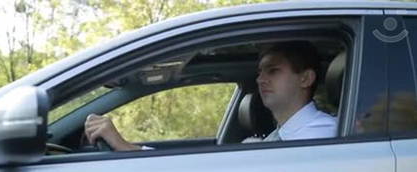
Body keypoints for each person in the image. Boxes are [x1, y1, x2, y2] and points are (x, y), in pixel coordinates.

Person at [84, 41, 337, 150]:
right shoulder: (277, 137)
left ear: (305, 78)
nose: (261, 79)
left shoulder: (322, 135)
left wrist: (125, 147)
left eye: (273, 71)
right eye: (260, 72)